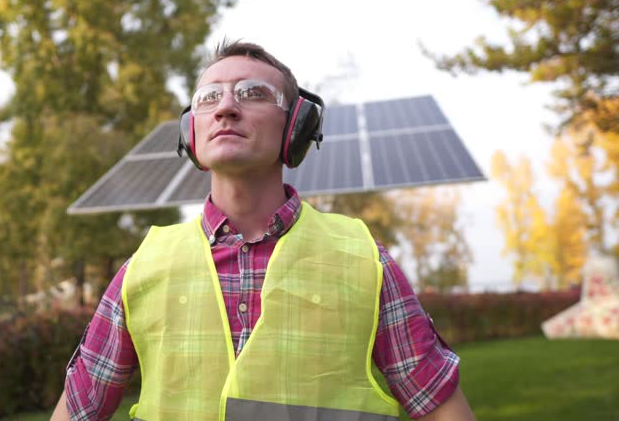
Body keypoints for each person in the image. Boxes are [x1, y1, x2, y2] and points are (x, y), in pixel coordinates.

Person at [51, 40, 475, 421]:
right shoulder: (144, 267)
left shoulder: (363, 259)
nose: (225, 107)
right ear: (191, 132)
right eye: (209, 97)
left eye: (252, 93)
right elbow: (78, 410)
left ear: (296, 127)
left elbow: (438, 406)